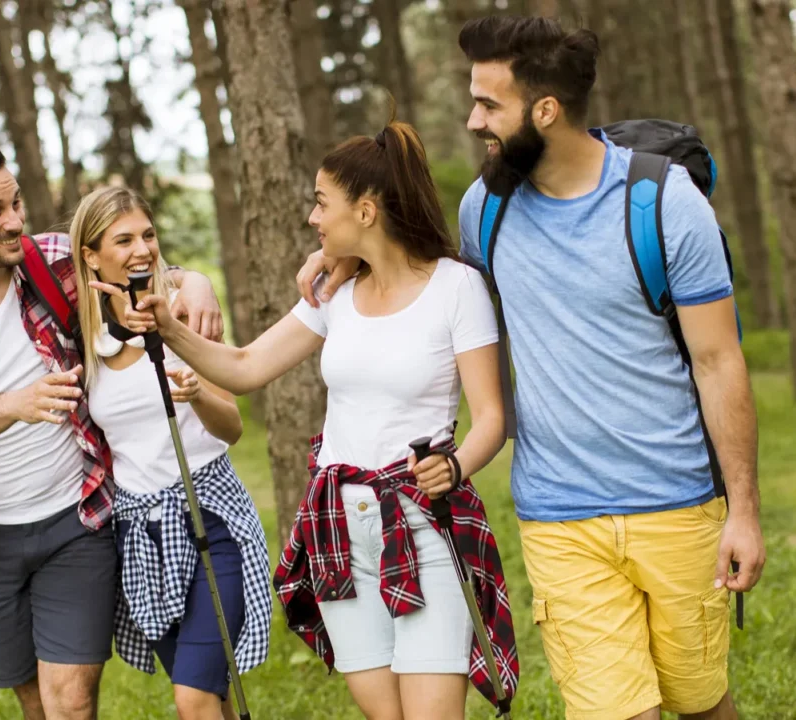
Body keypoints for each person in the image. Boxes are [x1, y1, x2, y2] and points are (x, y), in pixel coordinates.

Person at [296, 16, 767, 720]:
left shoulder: (665, 204)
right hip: (559, 516)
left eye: (489, 105)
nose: (472, 120)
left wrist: (745, 512)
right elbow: (430, 281)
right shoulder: (486, 209)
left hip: (675, 503)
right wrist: (346, 253)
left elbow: (718, 360)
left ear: (545, 111)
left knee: (698, 701)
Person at [126, 120, 518, 720]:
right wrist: (169, 328)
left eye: (320, 202)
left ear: (365, 211)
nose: (312, 217)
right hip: (338, 528)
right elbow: (247, 365)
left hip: (420, 523)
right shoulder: (335, 293)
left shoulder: (456, 288)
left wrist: (457, 464)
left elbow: (490, 416)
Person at [0, 138, 223, 720]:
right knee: (34, 702)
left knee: (71, 700)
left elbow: (137, 264)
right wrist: (17, 403)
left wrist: (195, 281)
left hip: (76, 517)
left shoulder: (53, 258)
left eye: (15, 203)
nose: (15, 222)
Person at [70, 185, 272, 720]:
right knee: (211, 694)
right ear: (91, 256)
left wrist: (197, 391)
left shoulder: (184, 311)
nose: (143, 249)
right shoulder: (86, 338)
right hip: (141, 537)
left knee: (194, 697)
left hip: (212, 517)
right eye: (124, 239)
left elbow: (231, 428)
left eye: (148, 235)